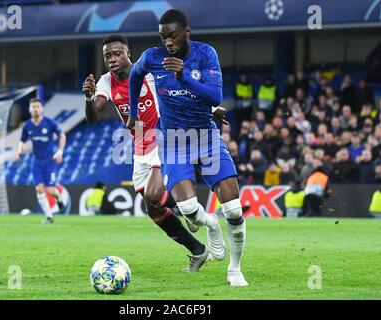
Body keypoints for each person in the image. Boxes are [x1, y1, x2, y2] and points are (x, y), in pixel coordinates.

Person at [126, 9, 248, 286]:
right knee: (190, 208)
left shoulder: (206, 54)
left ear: (186, 33)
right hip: (174, 142)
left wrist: (185, 78)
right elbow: (135, 75)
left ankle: (235, 269)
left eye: (173, 36)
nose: (168, 42)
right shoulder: (152, 58)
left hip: (206, 137)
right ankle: (210, 224)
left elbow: (215, 95)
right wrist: (133, 113)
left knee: (234, 210)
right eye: (163, 37)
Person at [82, 34, 218, 272]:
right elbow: (94, 117)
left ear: (128, 54)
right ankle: (198, 250)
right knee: (153, 209)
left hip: (165, 139)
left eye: (116, 54)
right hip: (139, 148)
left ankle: (187, 206)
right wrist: (87, 98)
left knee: (154, 194)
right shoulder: (106, 82)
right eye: (107, 56)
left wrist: (214, 107)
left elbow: (184, 89)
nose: (112, 59)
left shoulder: (149, 72)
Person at [16, 98, 66, 224]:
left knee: (50, 190)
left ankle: (59, 199)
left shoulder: (49, 123)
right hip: (37, 162)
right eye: (33, 106)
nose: (36, 108)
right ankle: (49, 217)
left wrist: (60, 152)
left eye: (38, 106)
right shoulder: (27, 125)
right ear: (29, 109)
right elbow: (22, 140)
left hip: (50, 161)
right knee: (39, 189)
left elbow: (62, 136)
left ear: (42, 109)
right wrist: (19, 151)